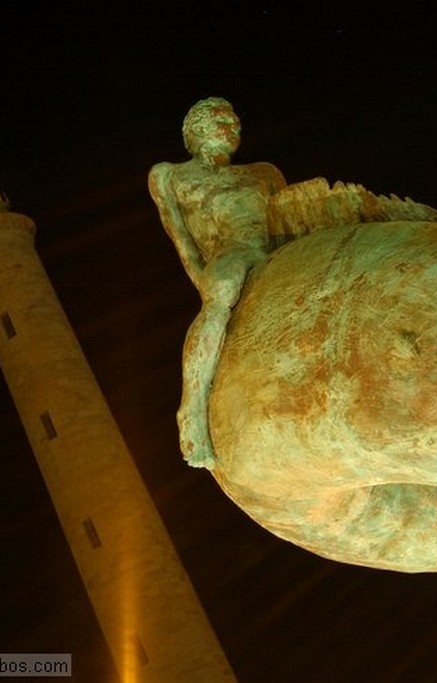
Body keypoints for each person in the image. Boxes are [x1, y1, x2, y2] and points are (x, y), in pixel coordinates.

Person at [149, 97, 286, 467]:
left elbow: (287, 214)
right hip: (232, 254)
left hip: (279, 247)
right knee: (223, 290)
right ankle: (191, 408)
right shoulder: (170, 175)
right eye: (222, 119)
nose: (233, 126)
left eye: (236, 121)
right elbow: (183, 242)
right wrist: (208, 290)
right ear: (196, 130)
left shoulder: (264, 171)